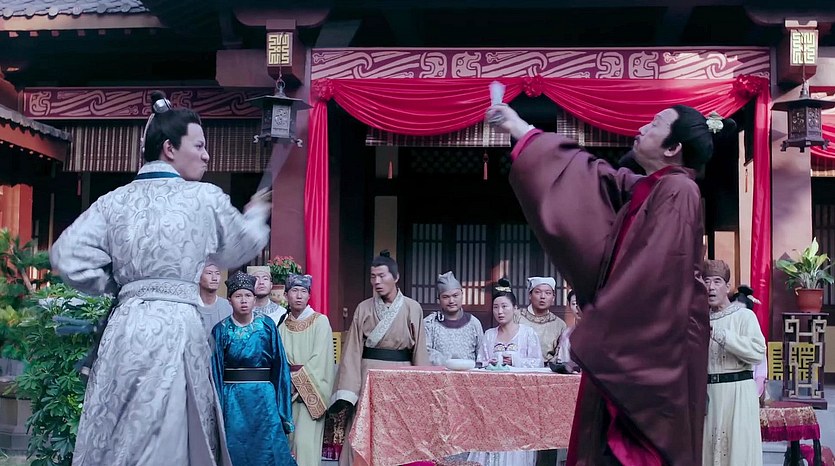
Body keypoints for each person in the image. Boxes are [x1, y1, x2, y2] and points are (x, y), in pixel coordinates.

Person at [487, 102, 735, 465]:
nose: (643, 127)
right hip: (627, 345)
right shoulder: (650, 187)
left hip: (652, 355)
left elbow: (653, 273)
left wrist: (602, 327)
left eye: (655, 123)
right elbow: (587, 177)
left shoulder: (680, 190)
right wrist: (519, 127)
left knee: (633, 450)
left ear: (673, 147)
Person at [50, 90, 271, 466]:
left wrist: (118, 285)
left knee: (123, 432)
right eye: (199, 145)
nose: (206, 155)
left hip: (126, 325)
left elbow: (65, 256)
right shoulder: (203, 198)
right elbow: (241, 246)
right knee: (169, 436)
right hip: (176, 327)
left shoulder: (114, 200)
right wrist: (255, 213)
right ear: (170, 148)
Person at [330, 250, 429, 466]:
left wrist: (422, 387)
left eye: (382, 276)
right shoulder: (364, 308)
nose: (376, 281)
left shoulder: (412, 308)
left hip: (402, 377)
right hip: (369, 376)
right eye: (373, 276)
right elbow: (352, 351)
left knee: (400, 427)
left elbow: (419, 350)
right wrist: (349, 390)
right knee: (364, 427)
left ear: (396, 277)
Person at [211, 271, 296, 466]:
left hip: (264, 398)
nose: (244, 300)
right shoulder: (220, 330)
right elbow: (215, 373)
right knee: (236, 450)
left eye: (248, 295)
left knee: (269, 450)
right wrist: (218, 410)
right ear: (229, 300)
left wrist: (283, 410)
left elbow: (280, 368)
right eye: (238, 296)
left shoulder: (267, 326)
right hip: (233, 400)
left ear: (254, 298)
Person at [468, 279, 541, 466]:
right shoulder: (489, 335)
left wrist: (514, 361)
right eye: (496, 307)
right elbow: (481, 363)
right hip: (492, 399)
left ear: (515, 308)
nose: (500, 311)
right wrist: (489, 363)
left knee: (514, 447)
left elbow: (538, 364)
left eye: (504, 306)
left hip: (519, 400)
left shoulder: (528, 333)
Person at [701, 260, 765, 466]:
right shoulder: (699, 320)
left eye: (717, 281)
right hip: (710, 395)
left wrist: (720, 334)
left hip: (738, 393)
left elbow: (757, 352)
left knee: (738, 452)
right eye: (706, 281)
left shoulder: (744, 316)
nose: (711, 287)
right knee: (709, 453)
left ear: (727, 287)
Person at [278, 273, 336, 466]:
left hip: (310, 394)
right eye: (294, 291)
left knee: (305, 446)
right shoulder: (282, 326)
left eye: (303, 291)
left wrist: (296, 383)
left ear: (309, 295)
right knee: (289, 445)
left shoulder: (320, 321)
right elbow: (279, 361)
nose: (299, 296)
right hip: (288, 395)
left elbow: (321, 360)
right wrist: (286, 383)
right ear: (286, 295)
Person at [423, 271, 484, 366]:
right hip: (439, 373)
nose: (451, 301)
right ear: (438, 299)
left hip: (469, 373)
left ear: (462, 295)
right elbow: (424, 352)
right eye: (445, 297)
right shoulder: (429, 323)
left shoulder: (474, 323)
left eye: (455, 296)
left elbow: (481, 354)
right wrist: (448, 361)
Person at [515, 276, 566, 364]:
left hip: (547, 369)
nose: (542, 296)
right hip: (516, 367)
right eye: (538, 292)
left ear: (553, 297)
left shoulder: (559, 324)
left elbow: (560, 354)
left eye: (548, 293)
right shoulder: (516, 317)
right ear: (530, 295)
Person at [198, 262, 233, 337]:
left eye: (217, 273)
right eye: (209, 273)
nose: (214, 278)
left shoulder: (228, 307)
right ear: (198, 277)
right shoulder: (191, 307)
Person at [552, 290, 581, 374]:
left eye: (581, 303)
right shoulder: (567, 334)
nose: (577, 308)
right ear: (569, 305)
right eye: (574, 304)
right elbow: (563, 360)